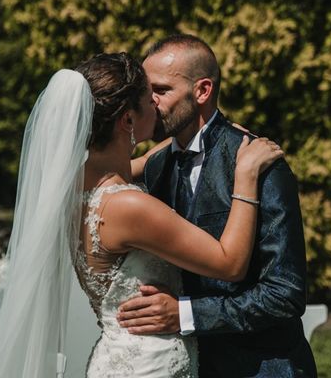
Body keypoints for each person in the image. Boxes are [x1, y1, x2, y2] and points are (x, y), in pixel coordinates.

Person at [0, 52, 283, 378]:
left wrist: (209, 131)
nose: (157, 105)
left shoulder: (73, 187)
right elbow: (229, 263)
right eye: (150, 100)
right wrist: (245, 176)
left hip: (115, 357)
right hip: (150, 366)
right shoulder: (128, 207)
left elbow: (142, 160)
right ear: (128, 120)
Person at [117, 35, 317, 377]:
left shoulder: (258, 163)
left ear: (202, 91)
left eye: (161, 90)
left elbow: (285, 295)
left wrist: (185, 314)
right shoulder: (155, 166)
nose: (149, 102)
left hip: (263, 368)